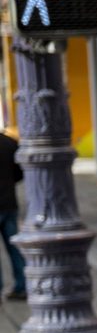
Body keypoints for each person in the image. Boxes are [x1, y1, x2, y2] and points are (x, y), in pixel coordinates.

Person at [0, 129, 26, 301]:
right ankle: (22, 285)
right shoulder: (9, 142)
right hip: (8, 202)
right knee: (14, 247)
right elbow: (21, 170)